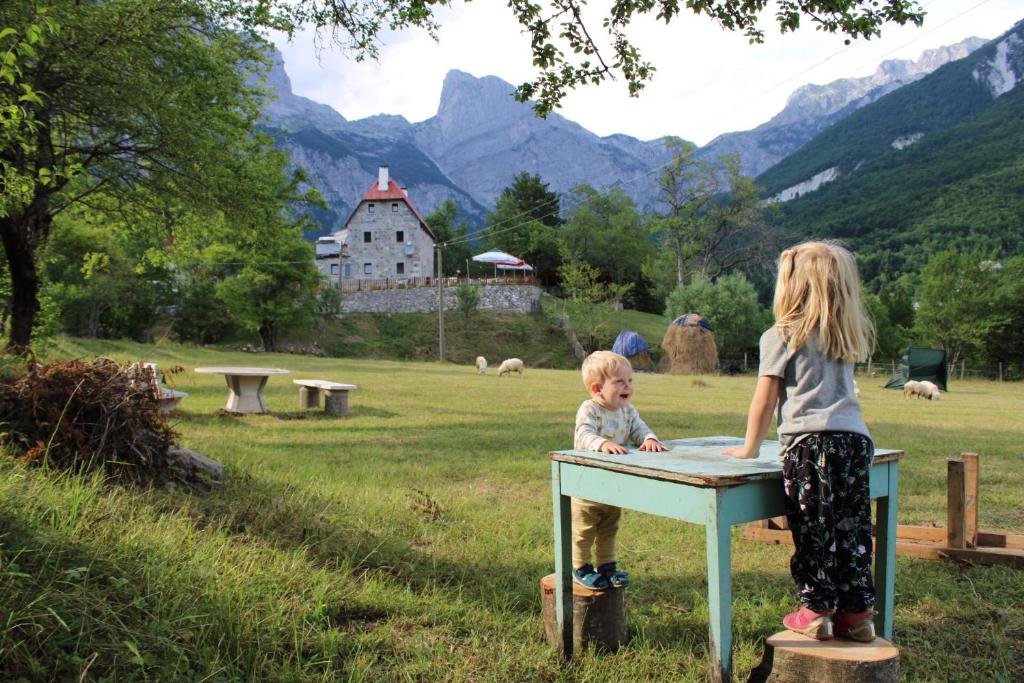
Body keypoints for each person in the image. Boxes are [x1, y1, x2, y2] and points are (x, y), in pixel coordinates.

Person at [723, 241, 877, 642]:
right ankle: (858, 615)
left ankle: (816, 609)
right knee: (853, 528)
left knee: (813, 527)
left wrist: (749, 448)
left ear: (791, 285)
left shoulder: (781, 335)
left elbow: (765, 398)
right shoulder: (843, 334)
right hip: (856, 443)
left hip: (810, 445)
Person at [572, 350, 669, 590]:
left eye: (630, 380)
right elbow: (584, 434)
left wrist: (648, 439)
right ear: (597, 389)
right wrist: (602, 443)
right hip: (586, 484)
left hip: (613, 485)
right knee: (584, 529)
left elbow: (639, 428)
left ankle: (607, 566)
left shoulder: (628, 410)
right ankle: (580, 566)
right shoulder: (590, 409)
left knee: (609, 527)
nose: (628, 386)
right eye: (620, 382)